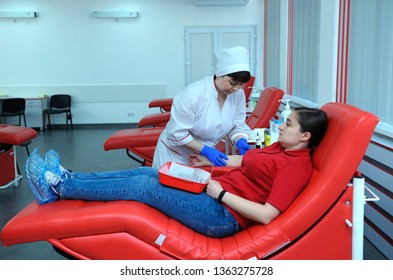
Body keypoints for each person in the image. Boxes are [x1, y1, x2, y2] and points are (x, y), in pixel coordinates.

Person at [25, 107, 328, 238]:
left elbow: (266, 215)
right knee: (149, 174)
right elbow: (246, 164)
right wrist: (207, 164)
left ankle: (60, 187)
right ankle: (69, 178)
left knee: (143, 189)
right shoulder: (280, 148)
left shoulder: (295, 167)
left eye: (289, 124)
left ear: (305, 137)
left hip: (221, 216)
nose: (282, 126)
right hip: (212, 193)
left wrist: (219, 192)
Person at [152, 46, 253, 169]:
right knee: (168, 187)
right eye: (233, 83)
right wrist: (206, 150)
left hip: (202, 158)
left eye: (241, 85)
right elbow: (176, 133)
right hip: (176, 155)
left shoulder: (238, 95)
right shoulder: (194, 94)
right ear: (219, 74)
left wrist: (240, 140)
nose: (236, 88)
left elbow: (237, 126)